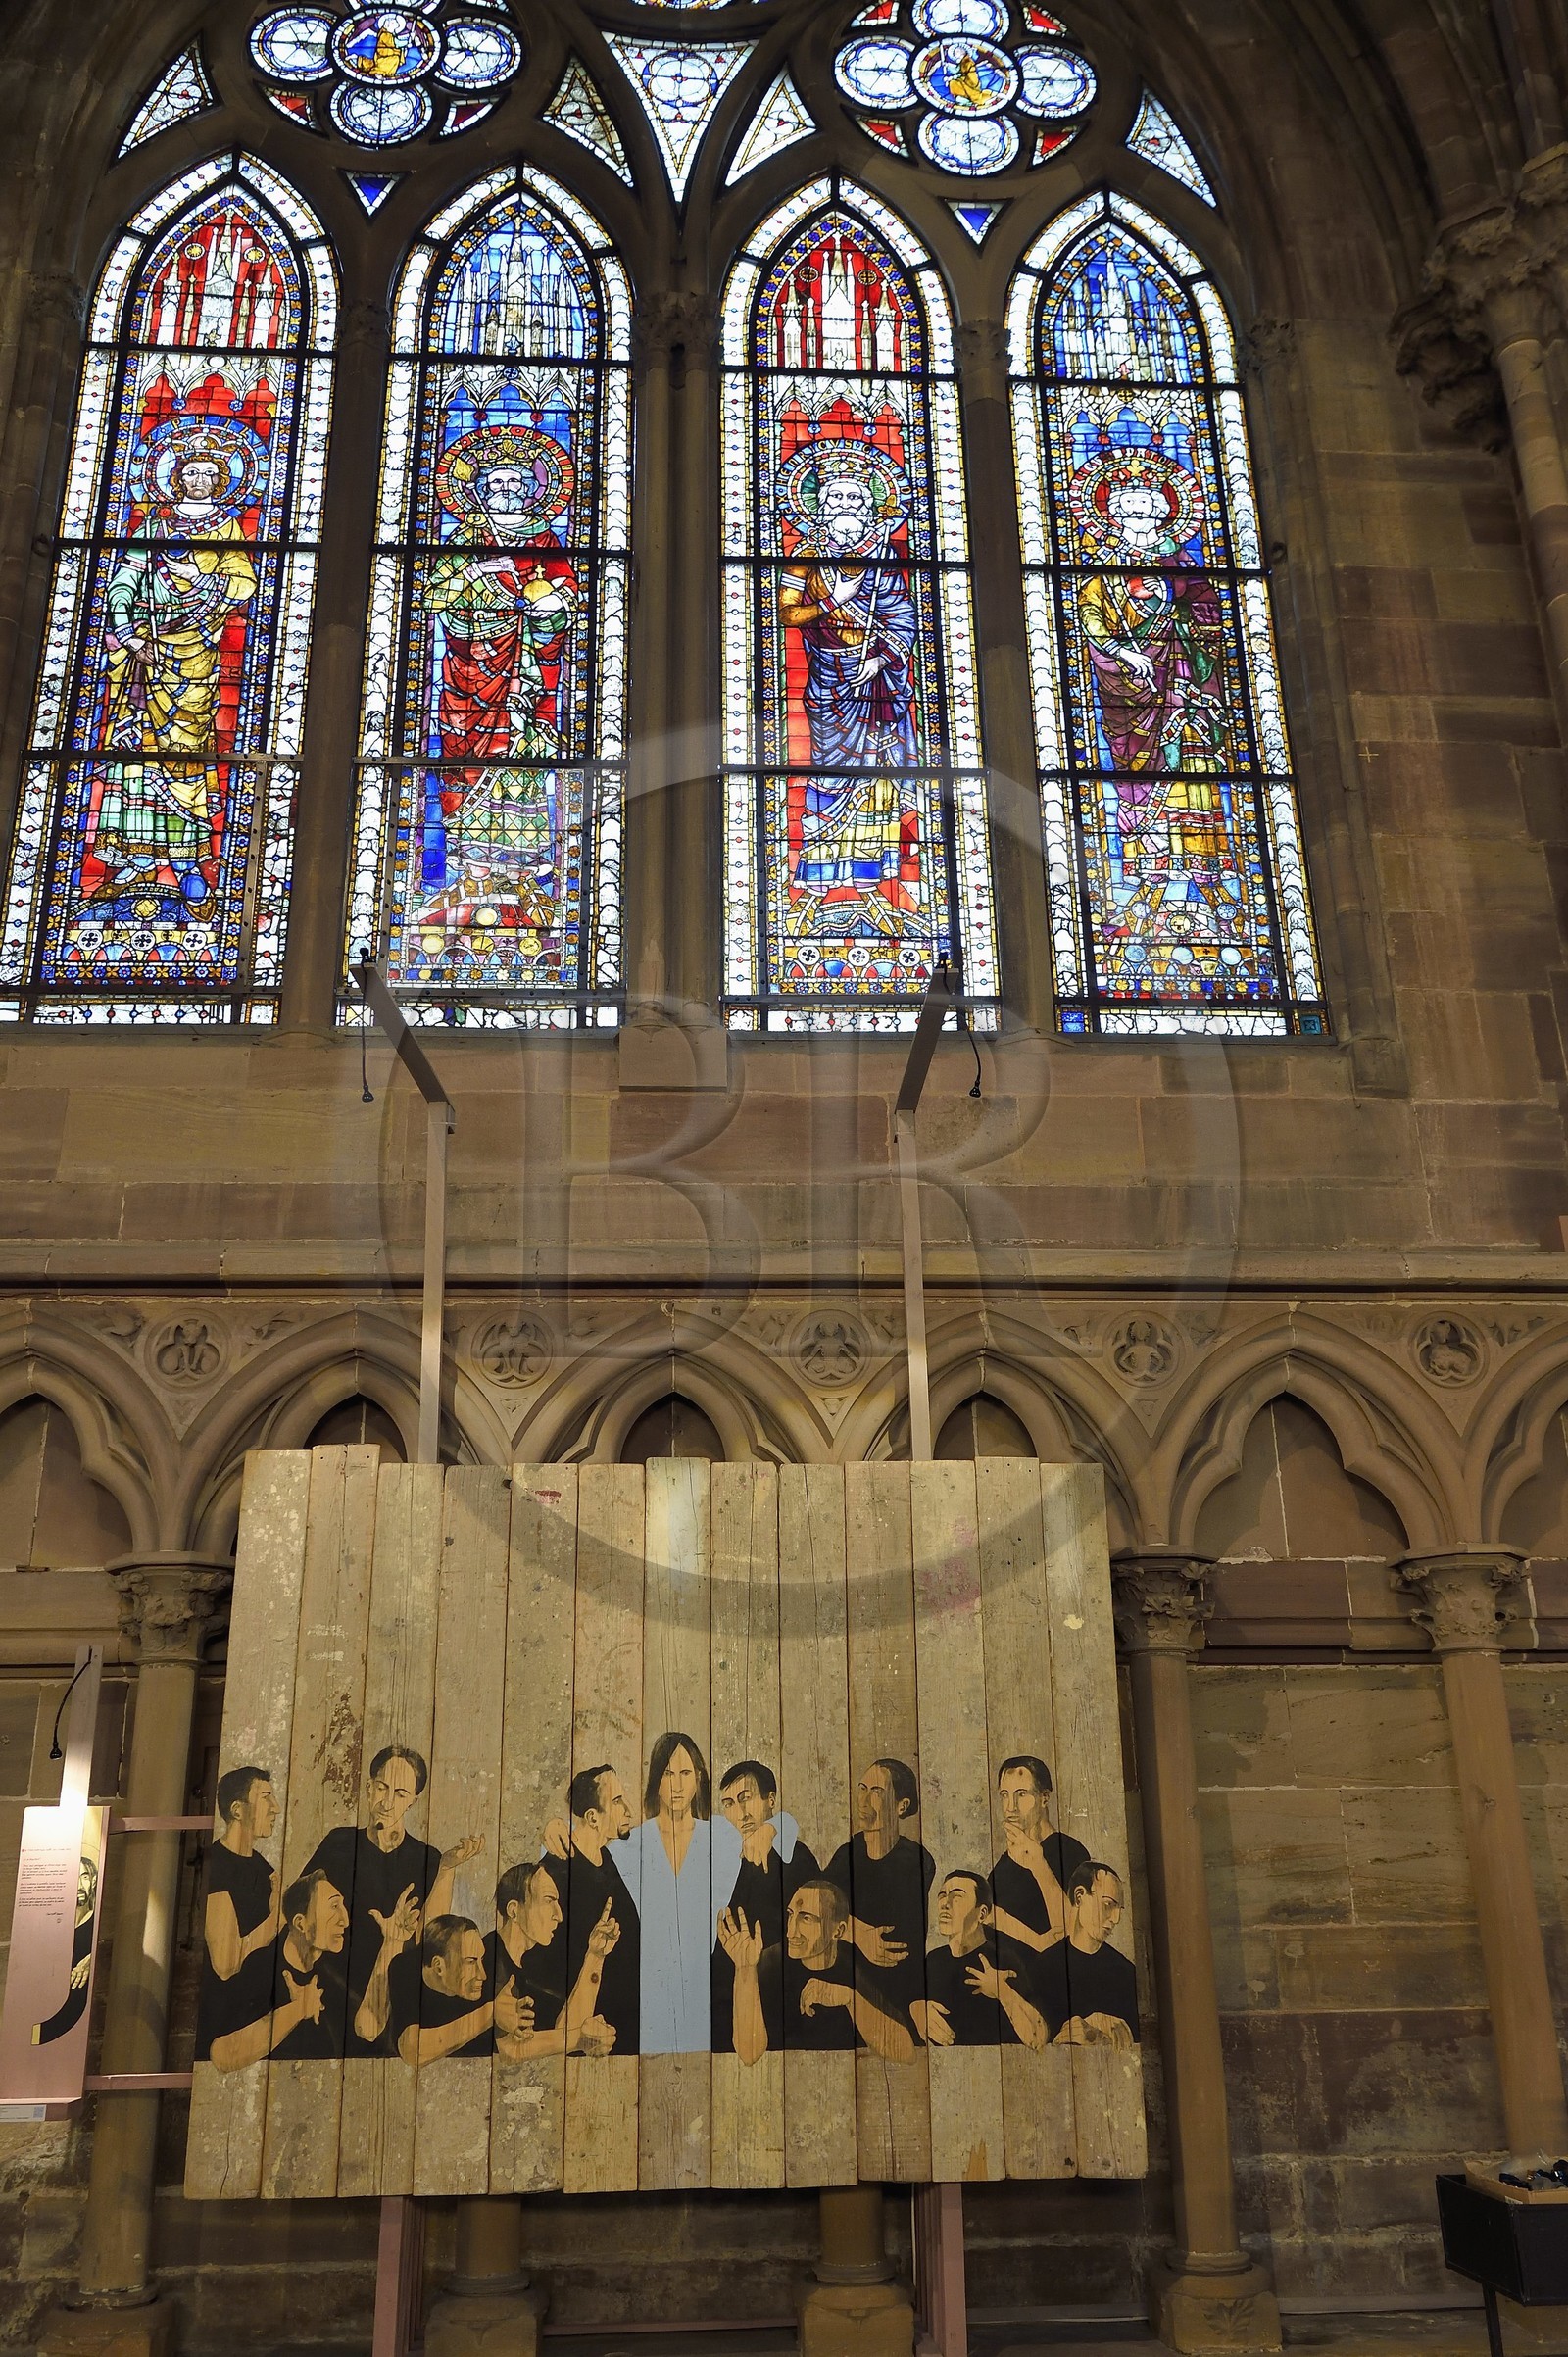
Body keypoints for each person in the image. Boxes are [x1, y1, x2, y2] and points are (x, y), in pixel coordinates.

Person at [418, 439, 579, 958]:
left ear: (533, 491)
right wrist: (476, 571)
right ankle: (470, 872)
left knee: (524, 759)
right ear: (478, 490)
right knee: (463, 763)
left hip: (523, 675)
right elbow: (433, 597)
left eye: (516, 485)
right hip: (465, 672)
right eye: (495, 485)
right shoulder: (466, 539)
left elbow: (565, 606)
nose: (506, 493)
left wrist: (547, 608)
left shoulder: (548, 544)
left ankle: (525, 881)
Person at [86, 445, 257, 911]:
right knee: (136, 756)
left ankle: (186, 863)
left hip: (196, 653)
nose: (199, 480)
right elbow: (124, 580)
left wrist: (200, 578)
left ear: (221, 482)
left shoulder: (227, 527)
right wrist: (127, 631)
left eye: (208, 474)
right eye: (191, 472)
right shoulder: (156, 528)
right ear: (177, 478)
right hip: (147, 651)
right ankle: (131, 860)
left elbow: (244, 582)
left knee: (185, 755)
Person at [778, 461, 920, 939]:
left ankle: (872, 881)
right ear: (819, 505)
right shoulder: (805, 559)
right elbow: (788, 614)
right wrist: (835, 600)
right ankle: (818, 883)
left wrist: (880, 661)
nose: (845, 507)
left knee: (875, 781)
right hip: (828, 681)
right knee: (829, 777)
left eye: (854, 498)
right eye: (835, 498)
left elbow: (904, 622)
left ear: (869, 506)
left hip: (874, 684)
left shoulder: (884, 562)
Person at [303, 1743, 482, 2056]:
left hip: (389, 1988)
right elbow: (300, 1911)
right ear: (369, 1787)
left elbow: (429, 1938)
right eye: (382, 1787)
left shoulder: (427, 1858)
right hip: (331, 1983)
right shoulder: (339, 1844)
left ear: (413, 1801)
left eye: (400, 1793)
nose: (387, 1801)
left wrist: (446, 1870)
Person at [610, 1732, 744, 2054]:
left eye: (686, 1774)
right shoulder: (631, 1844)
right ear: (656, 1779)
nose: (678, 1785)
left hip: (707, 1985)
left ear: (698, 1778)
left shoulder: (721, 1835)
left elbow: (779, 1830)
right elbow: (582, 1851)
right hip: (648, 1988)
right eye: (669, 1774)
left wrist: (770, 1830)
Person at [718, 1879, 913, 2064]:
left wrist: (849, 1998)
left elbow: (905, 2051)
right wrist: (744, 1969)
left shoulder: (855, 1967)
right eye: (790, 1915)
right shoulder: (765, 1962)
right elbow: (749, 2055)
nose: (790, 1932)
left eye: (806, 1918)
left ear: (838, 1931)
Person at [710, 1759, 819, 2053]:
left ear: (770, 1800)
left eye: (746, 1799)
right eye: (729, 1804)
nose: (740, 1813)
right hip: (723, 2002)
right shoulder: (725, 1858)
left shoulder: (796, 1858)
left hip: (776, 2002)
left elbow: (812, 1940)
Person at [823, 1758, 934, 2034]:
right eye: (862, 1788)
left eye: (877, 1792)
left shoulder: (917, 1861)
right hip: (844, 1981)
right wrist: (857, 1932)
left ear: (901, 1806)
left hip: (896, 1990)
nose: (863, 1800)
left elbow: (895, 1945)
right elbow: (816, 1907)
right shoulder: (845, 1855)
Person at [537, 1764, 641, 2053]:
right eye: (618, 1801)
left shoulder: (604, 1858)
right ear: (593, 1817)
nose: (628, 1809)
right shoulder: (554, 1874)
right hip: (585, 2036)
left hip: (623, 2026)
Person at [204, 1869, 351, 2070]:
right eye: (334, 1906)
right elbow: (222, 2054)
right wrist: (297, 2009)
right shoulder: (262, 1966)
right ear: (301, 1923)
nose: (345, 1920)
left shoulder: (336, 1979)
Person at [485, 1860, 618, 2058]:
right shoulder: (487, 1958)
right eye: (549, 1900)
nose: (559, 1915)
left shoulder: (519, 1969)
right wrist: (579, 2039)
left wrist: (595, 1956)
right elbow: (511, 2050)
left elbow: (563, 2035)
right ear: (514, 1910)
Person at [196, 1764, 282, 2057]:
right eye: (266, 1798)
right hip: (227, 2026)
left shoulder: (263, 1868)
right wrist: (278, 1918)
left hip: (261, 2014)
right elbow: (226, 1962)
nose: (276, 1808)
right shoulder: (217, 1867)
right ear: (237, 1809)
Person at [913, 1870, 1048, 2051]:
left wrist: (1002, 1991)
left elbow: (1038, 2037)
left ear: (982, 1913)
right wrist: (916, 2008)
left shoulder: (1004, 1959)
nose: (945, 1903)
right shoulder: (933, 1960)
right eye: (942, 1895)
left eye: (957, 1897)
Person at [988, 1755, 1090, 1971]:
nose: (1010, 1807)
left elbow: (1076, 1929)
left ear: (1044, 1798)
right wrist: (1035, 1939)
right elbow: (987, 1914)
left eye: (1021, 1795)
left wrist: (1038, 1865)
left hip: (1048, 1979)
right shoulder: (1006, 1861)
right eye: (1004, 1796)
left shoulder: (1070, 1852)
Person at [394, 1915, 532, 2066]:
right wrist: (490, 2014)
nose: (483, 1975)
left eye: (481, 1959)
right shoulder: (405, 1967)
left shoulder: (486, 1984)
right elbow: (412, 2050)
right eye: (471, 1962)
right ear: (439, 1967)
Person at [1034, 1864, 1140, 2050]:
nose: (1115, 1919)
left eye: (1119, 1910)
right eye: (1108, 1905)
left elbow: (1134, 2043)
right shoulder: (1043, 1967)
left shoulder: (1125, 1972)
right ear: (1080, 1896)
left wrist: (1100, 2034)